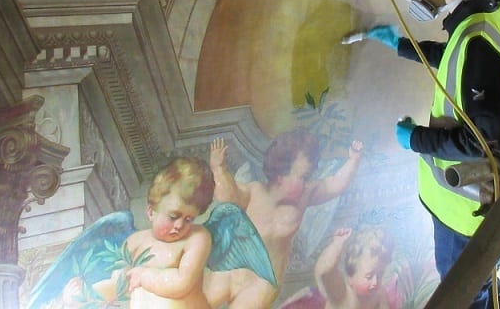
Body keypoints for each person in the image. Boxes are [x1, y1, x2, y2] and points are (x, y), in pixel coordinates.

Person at [365, 0, 500, 309]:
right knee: (484, 284)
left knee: (465, 293)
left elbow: (487, 141)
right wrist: (400, 45)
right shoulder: (487, 13)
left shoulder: (477, 39)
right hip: (488, 196)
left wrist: (416, 139)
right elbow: (459, 60)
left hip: (472, 207)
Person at [207, 128, 364, 308]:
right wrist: (218, 169)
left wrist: (354, 160)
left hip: (263, 282)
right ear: (281, 175)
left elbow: (335, 184)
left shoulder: (305, 195)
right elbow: (226, 196)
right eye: (303, 177)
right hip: (230, 271)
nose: (306, 183)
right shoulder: (254, 192)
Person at [59, 156, 216, 309]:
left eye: (189, 219)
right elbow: (117, 286)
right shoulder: (135, 242)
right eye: (173, 216)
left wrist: (143, 276)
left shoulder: (197, 238)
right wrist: (81, 298)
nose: (180, 225)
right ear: (151, 212)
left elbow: (182, 282)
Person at [314, 227, 394, 309]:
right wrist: (337, 244)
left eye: (380, 275)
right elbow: (323, 271)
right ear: (351, 276)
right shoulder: (341, 292)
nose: (375, 282)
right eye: (369, 277)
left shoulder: (379, 293)